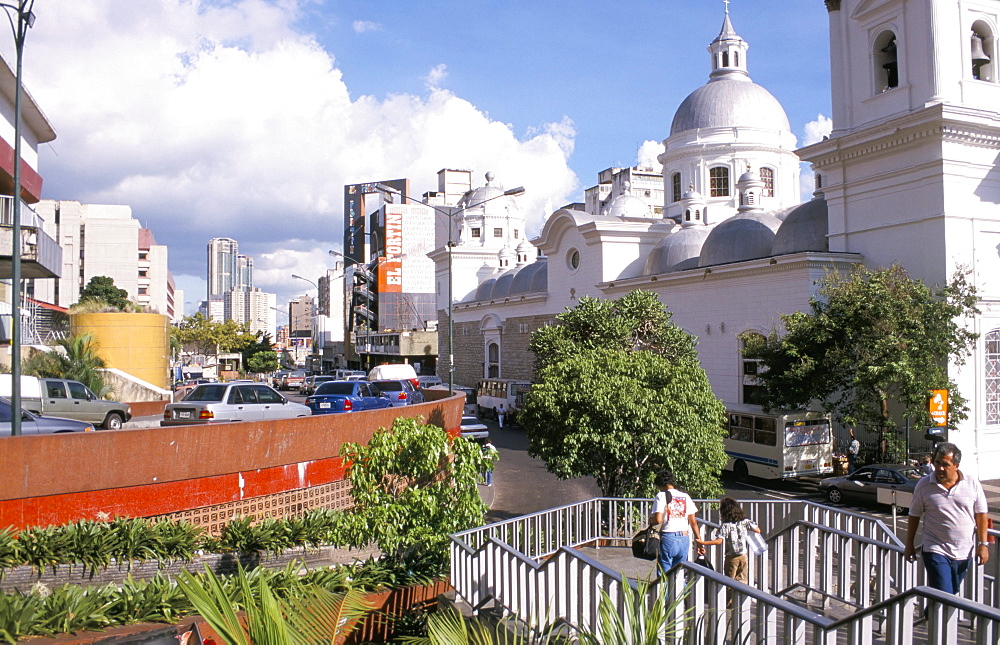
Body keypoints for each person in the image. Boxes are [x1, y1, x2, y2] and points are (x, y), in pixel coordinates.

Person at [903, 442, 989, 594]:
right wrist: (909, 544)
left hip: (964, 551)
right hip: (935, 549)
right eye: (937, 463)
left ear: (956, 465)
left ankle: (930, 615)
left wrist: (983, 544)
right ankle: (935, 615)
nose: (940, 468)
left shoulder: (972, 483)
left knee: (951, 594)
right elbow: (914, 515)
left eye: (945, 464)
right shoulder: (924, 485)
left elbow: (981, 514)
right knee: (945, 593)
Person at [696, 498, 761, 585]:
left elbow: (718, 541)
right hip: (743, 555)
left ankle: (730, 598)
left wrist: (703, 542)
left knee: (729, 582)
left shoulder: (725, 526)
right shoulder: (745, 522)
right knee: (743, 581)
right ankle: (741, 598)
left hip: (732, 557)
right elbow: (757, 530)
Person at [649, 469, 703, 574]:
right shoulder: (685, 496)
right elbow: (693, 522)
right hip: (684, 537)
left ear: (661, 484)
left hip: (668, 537)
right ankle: (682, 591)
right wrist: (699, 542)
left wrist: (651, 520)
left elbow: (658, 519)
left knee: (664, 574)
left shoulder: (661, 495)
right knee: (679, 573)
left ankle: (665, 591)